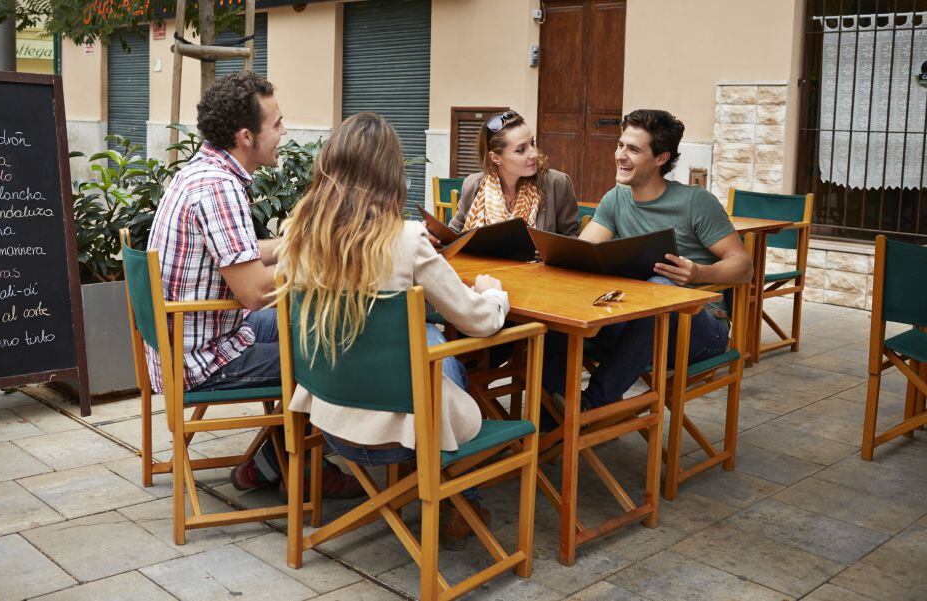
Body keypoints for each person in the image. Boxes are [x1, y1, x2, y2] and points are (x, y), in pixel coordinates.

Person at [279, 112, 511, 541]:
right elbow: (478, 321)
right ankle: (458, 497)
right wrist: (494, 294)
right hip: (402, 434)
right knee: (436, 342)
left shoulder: (299, 232)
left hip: (329, 423)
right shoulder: (406, 240)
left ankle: (448, 498)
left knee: (426, 337)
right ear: (391, 173)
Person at [147, 71, 361, 498]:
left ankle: (266, 465)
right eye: (277, 124)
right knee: (329, 353)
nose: (284, 132)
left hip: (184, 342)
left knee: (311, 331)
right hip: (202, 357)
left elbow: (236, 254)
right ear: (247, 136)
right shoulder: (219, 188)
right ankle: (295, 469)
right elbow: (256, 292)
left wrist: (299, 241)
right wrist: (325, 265)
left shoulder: (200, 172)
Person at [552, 109, 753, 409]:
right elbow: (582, 256)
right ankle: (550, 406)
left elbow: (744, 266)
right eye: (620, 145)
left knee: (659, 286)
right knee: (556, 302)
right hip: (635, 323)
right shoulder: (616, 199)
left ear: (661, 158)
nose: (621, 155)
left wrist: (697, 273)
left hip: (700, 330)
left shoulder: (695, 202)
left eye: (633, 149)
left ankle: (591, 405)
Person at [448, 110, 580, 236]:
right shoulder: (473, 185)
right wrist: (434, 236)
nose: (534, 154)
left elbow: (572, 238)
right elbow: (454, 232)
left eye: (532, 143)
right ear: (495, 157)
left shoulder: (556, 183)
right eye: (521, 149)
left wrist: (548, 250)